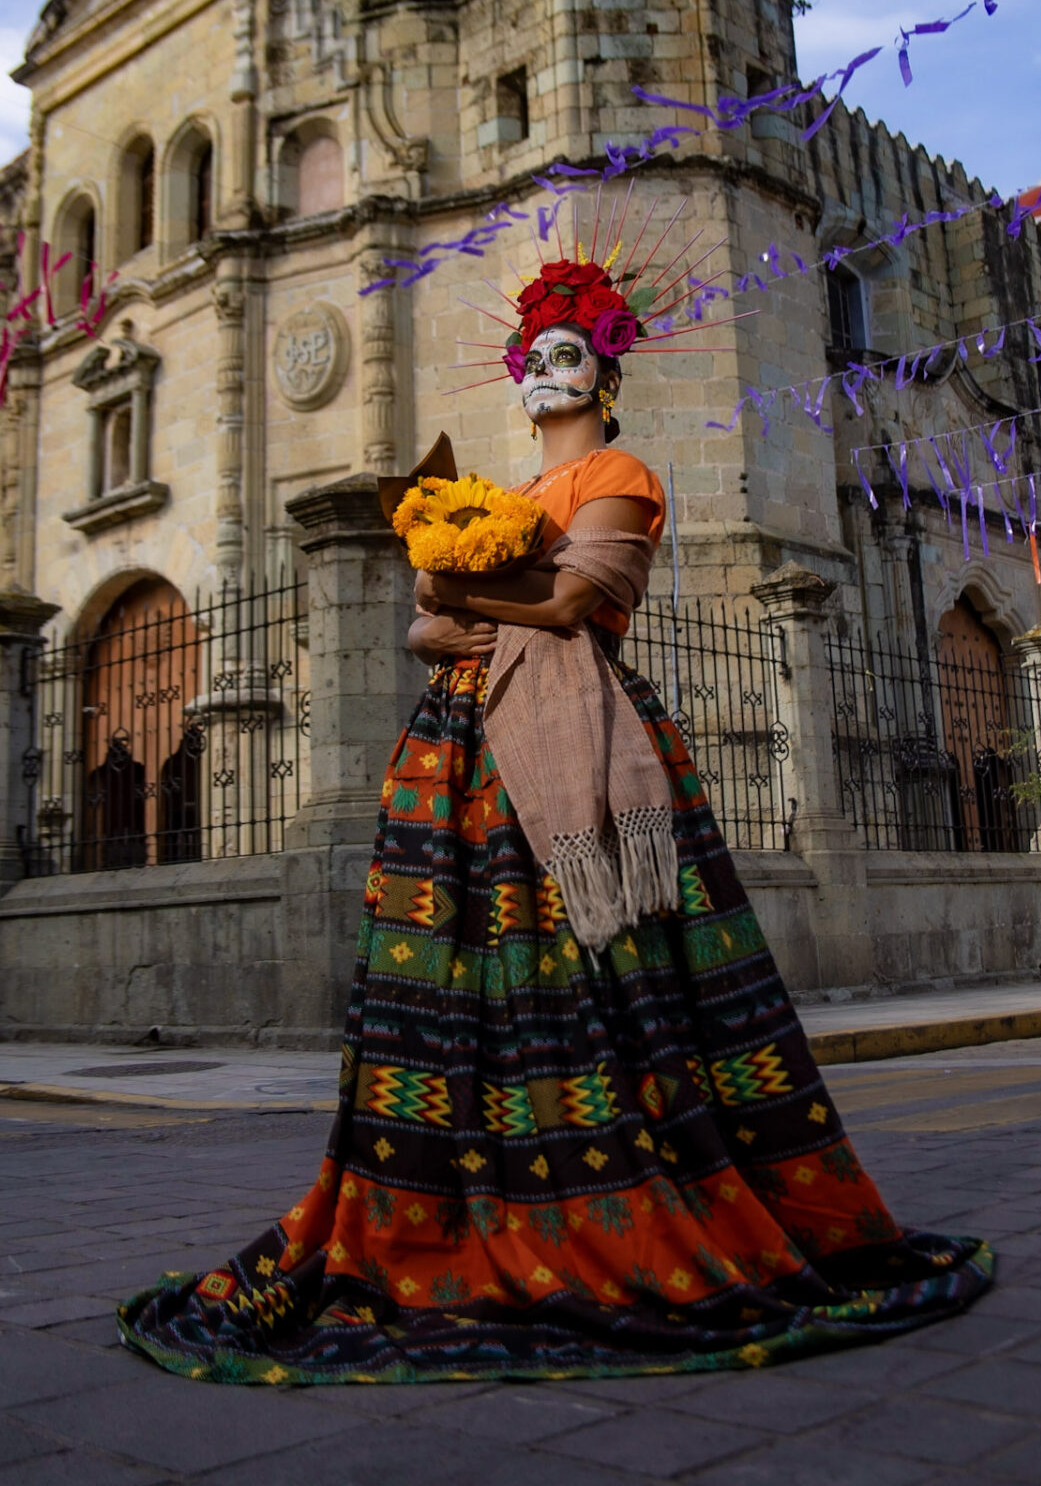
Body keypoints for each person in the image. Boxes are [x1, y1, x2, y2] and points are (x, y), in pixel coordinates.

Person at [119, 237, 992, 1384]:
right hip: (463, 762)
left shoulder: (618, 482)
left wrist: (449, 592)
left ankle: (616, 1196)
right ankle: (454, 1198)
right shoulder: (509, 496)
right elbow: (432, 626)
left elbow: (576, 598)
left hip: (575, 748)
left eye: (566, 353)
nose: (542, 371)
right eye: (529, 354)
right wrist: (441, 606)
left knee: (595, 971)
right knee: (457, 987)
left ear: (606, 374)